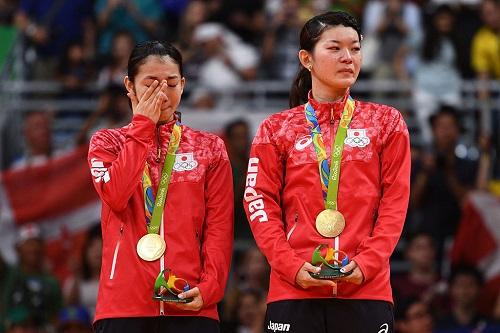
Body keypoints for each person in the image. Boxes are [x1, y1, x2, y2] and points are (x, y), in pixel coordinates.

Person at [243, 11, 410, 332]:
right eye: (334, 48)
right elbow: (258, 202)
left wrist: (367, 264)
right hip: (294, 287)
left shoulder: (386, 122)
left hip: (366, 288)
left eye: (355, 48)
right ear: (306, 58)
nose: (348, 57)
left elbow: (395, 202)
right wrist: (289, 266)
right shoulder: (276, 129)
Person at [88, 41, 233, 333]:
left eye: (171, 82)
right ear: (129, 85)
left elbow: (219, 227)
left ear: (183, 84)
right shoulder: (106, 143)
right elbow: (116, 196)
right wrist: (142, 125)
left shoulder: (209, 148)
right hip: (123, 306)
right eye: (150, 83)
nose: (162, 92)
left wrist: (210, 289)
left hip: (191, 302)